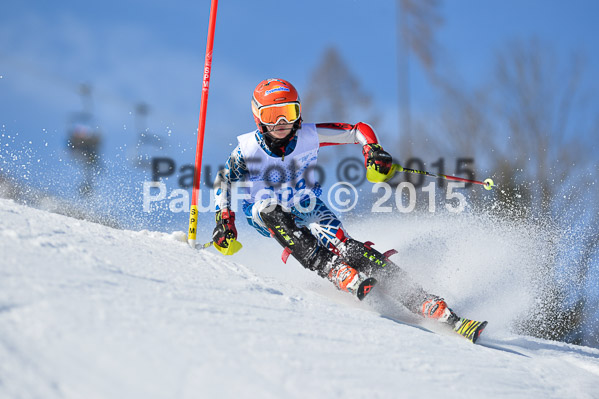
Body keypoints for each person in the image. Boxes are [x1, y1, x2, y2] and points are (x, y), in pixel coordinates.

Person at [212, 78, 459, 327]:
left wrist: (372, 149)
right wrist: (224, 218)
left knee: (344, 245)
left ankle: (418, 298)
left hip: (305, 203)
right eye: (272, 115)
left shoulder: (308, 135)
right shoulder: (247, 150)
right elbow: (223, 181)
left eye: (288, 113)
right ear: (258, 118)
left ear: (298, 112)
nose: (281, 123)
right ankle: (331, 268)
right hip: (264, 213)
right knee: (269, 209)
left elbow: (356, 130)